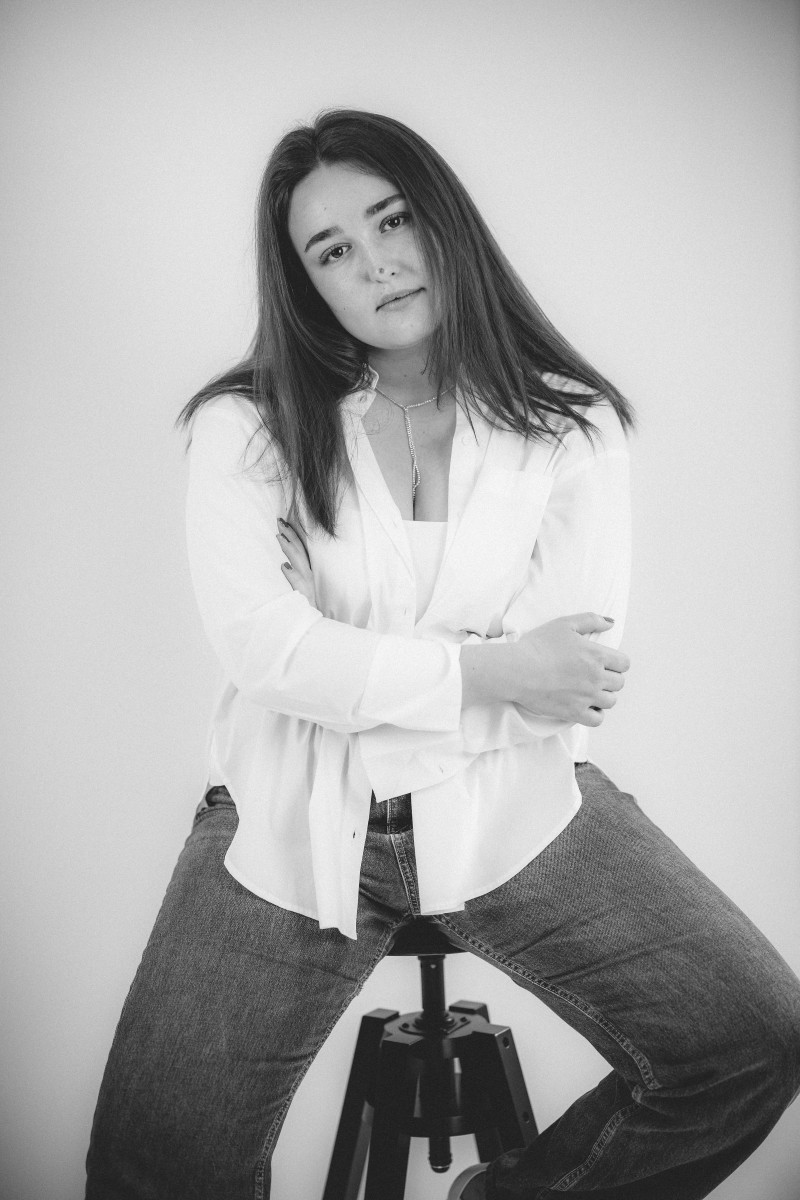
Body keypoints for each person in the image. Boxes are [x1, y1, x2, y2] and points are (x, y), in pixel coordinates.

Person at [85, 109, 800, 1200]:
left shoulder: (570, 426)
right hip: (291, 811)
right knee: (155, 1170)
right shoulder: (248, 427)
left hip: (509, 801)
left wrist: (342, 654)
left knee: (751, 1038)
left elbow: (564, 681)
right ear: (305, 285)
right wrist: (485, 666)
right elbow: (266, 654)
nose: (375, 262)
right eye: (332, 250)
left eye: (392, 219)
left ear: (442, 219)